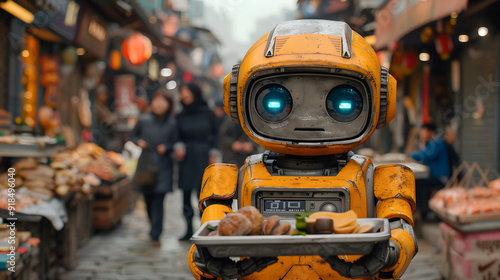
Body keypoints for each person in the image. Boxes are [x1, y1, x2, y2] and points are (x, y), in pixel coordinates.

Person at [131, 89, 178, 247]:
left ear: (169, 105)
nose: (159, 104)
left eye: (163, 101)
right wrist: (139, 142)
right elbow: (133, 136)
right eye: (156, 100)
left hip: (163, 167)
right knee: (148, 200)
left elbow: (176, 143)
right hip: (146, 165)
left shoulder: (172, 124)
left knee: (159, 201)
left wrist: (167, 147)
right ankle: (153, 227)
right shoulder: (143, 121)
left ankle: (156, 234)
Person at [176, 82, 219, 241]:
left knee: (203, 194)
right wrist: (178, 146)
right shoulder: (180, 114)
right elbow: (176, 134)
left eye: (187, 91)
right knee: (186, 193)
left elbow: (216, 134)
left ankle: (205, 227)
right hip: (186, 156)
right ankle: (188, 229)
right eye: (182, 92)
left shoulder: (208, 113)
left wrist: (214, 152)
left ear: (195, 93)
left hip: (204, 155)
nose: (184, 95)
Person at [409, 122, 451, 220]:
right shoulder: (431, 144)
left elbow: (426, 155)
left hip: (441, 178)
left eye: (423, 132)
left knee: (417, 182)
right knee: (419, 181)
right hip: (434, 175)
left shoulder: (437, 143)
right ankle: (423, 210)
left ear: (430, 132)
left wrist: (410, 156)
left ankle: (421, 211)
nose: (421, 135)